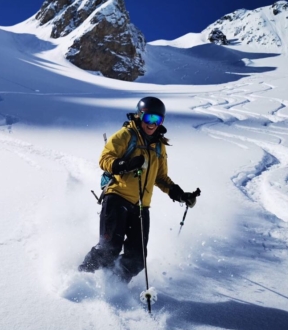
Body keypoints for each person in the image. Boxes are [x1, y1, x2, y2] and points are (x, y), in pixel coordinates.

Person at [78, 96, 199, 283]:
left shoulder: (159, 146)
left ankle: (113, 286)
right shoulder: (126, 135)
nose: (152, 124)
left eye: (157, 120)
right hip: (117, 198)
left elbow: (161, 178)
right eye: (148, 118)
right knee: (109, 248)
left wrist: (180, 194)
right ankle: (81, 277)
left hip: (142, 207)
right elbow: (105, 159)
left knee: (137, 260)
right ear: (139, 115)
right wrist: (124, 164)